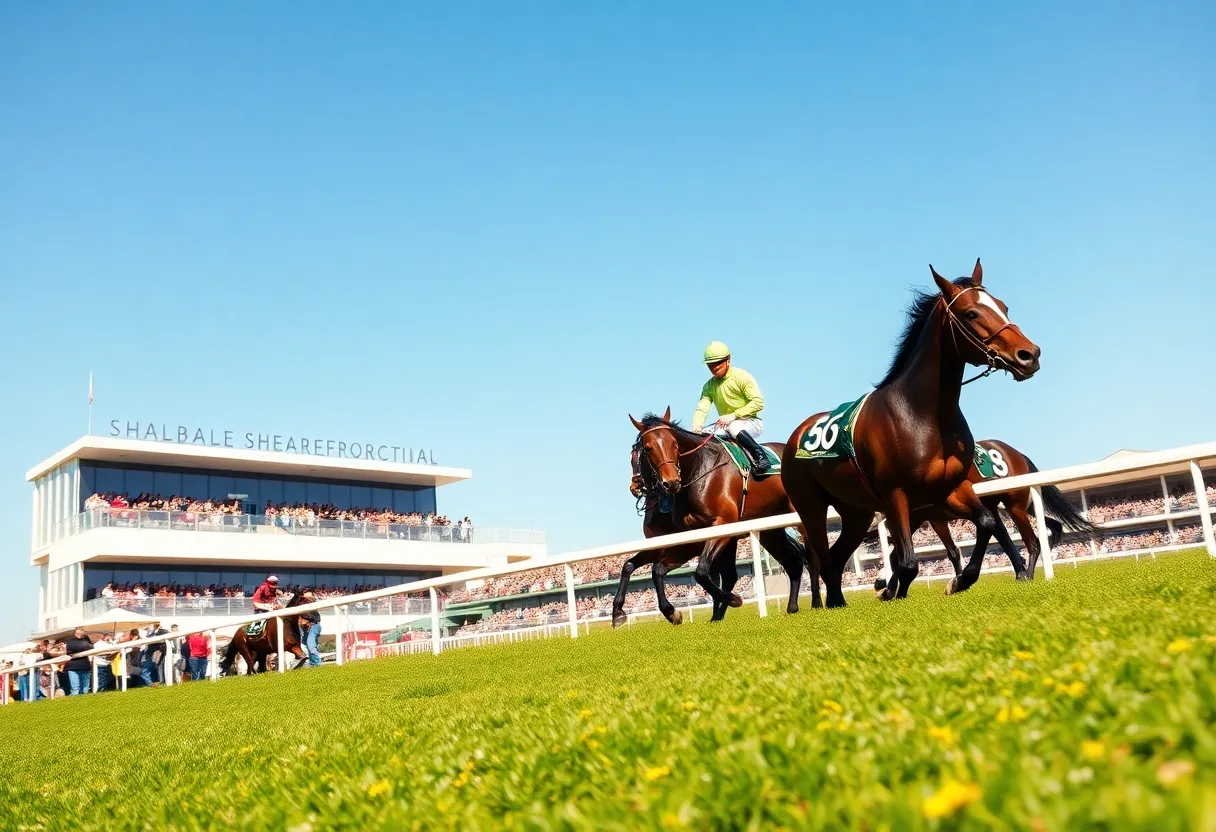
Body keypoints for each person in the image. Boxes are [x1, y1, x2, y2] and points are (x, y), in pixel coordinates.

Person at [691, 341, 770, 473]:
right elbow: (702, 408)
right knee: (702, 437)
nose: (714, 368)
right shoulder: (708, 386)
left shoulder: (742, 376)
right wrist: (697, 426)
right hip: (725, 425)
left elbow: (758, 402)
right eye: (711, 365)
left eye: (718, 363)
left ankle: (761, 456)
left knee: (734, 426)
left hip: (751, 422)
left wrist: (733, 415)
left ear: (728, 359)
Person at [64, 627, 94, 695]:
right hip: (73, 669)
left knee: (85, 689)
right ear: (75, 632)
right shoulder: (70, 641)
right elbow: (77, 646)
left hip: (85, 668)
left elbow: (91, 647)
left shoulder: (86, 639)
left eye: (82, 630)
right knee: (75, 689)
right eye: (80, 630)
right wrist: (84, 646)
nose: (81, 632)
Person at [298, 590, 322, 667]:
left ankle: (316, 664)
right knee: (304, 645)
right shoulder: (300, 603)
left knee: (311, 645)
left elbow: (312, 598)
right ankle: (309, 664)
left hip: (313, 626)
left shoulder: (312, 602)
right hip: (304, 628)